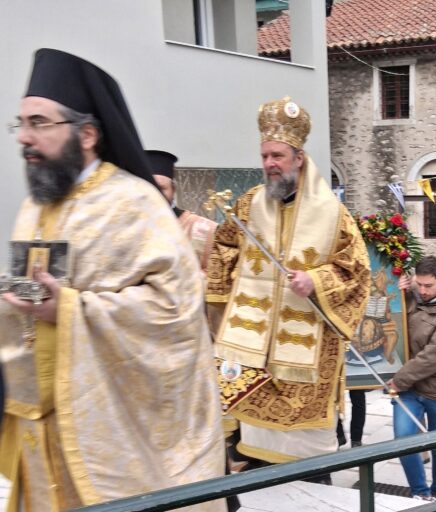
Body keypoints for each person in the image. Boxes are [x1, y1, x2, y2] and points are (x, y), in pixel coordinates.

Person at [0, 49, 224, 511]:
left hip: (109, 432)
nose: (25, 137)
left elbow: (175, 312)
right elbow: (32, 301)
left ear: (86, 134)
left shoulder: (133, 203)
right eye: (20, 124)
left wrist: (70, 308)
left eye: (40, 123)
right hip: (39, 432)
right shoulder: (33, 208)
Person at [205, 97, 370, 472]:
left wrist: (316, 280)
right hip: (250, 353)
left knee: (305, 469)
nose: (269, 164)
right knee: (250, 458)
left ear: (298, 157)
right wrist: (220, 300)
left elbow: (356, 272)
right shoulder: (247, 205)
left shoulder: (333, 214)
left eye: (277, 156)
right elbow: (224, 248)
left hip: (305, 359)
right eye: (264, 156)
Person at [387, 256, 436, 501]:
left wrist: (399, 380)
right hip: (410, 389)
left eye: (428, 286)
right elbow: (391, 325)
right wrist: (395, 295)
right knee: (403, 441)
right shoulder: (412, 295)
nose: (422, 290)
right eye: (419, 284)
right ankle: (420, 493)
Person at [148, 149, 218, 275]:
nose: (155, 194)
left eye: (162, 188)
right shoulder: (130, 231)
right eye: (149, 188)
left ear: (173, 190)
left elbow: (218, 280)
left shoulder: (206, 230)